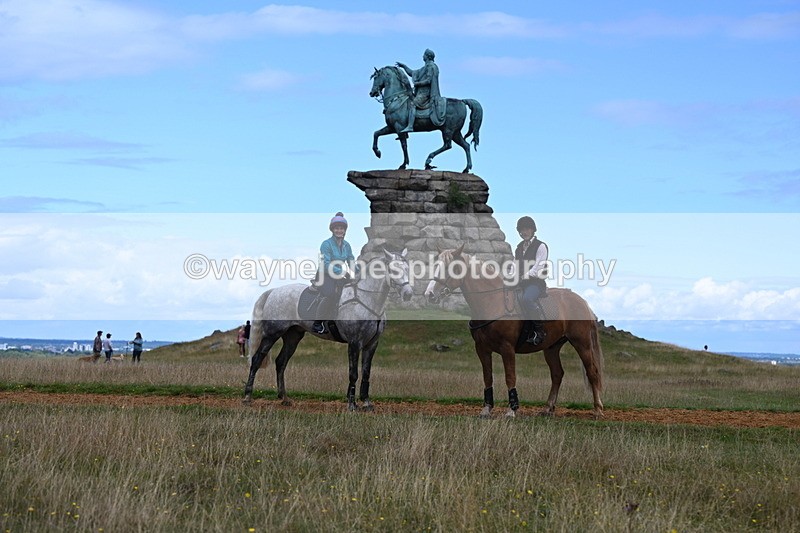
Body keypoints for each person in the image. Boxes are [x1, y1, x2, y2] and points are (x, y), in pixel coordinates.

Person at [313, 212, 360, 334]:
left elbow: (351, 261)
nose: (339, 230)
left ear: (345, 230)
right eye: (336, 228)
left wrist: (361, 271)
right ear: (332, 230)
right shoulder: (326, 244)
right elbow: (326, 264)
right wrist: (343, 272)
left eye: (341, 228)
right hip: (325, 274)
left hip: (339, 276)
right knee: (329, 294)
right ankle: (317, 323)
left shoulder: (346, 245)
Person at [514, 216, 549, 345]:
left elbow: (537, 268)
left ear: (533, 230)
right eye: (522, 229)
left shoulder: (541, 246)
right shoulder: (518, 248)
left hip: (535, 283)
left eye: (527, 229)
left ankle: (540, 332)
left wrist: (523, 277)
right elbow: (515, 266)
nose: (524, 232)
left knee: (527, 299)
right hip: (521, 283)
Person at [396, 48, 446, 132]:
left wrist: (417, 84)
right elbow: (412, 73)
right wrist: (404, 66)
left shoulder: (431, 66)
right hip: (420, 92)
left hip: (426, 93)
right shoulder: (425, 67)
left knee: (412, 104)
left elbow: (428, 80)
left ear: (427, 56)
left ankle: (410, 126)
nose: (422, 56)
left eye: (424, 55)